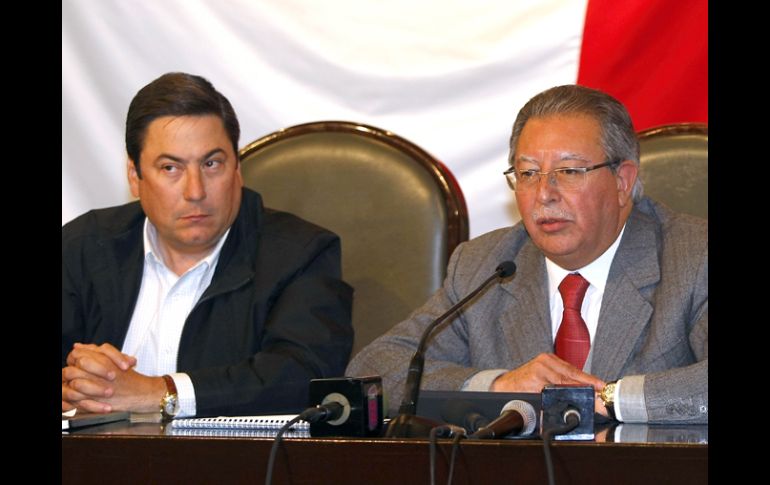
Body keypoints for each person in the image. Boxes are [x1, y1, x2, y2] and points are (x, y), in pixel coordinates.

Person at [347, 84, 707, 424]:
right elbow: (372, 372)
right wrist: (499, 387)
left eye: (569, 171)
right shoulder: (485, 265)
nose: (544, 194)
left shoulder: (693, 257)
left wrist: (610, 398)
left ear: (622, 181)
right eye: (529, 173)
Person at [62, 72, 354, 419]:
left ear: (237, 169)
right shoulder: (83, 247)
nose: (196, 191)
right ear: (134, 176)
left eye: (211, 164)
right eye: (170, 168)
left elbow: (304, 375)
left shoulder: (300, 254)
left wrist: (161, 392)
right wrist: (74, 388)